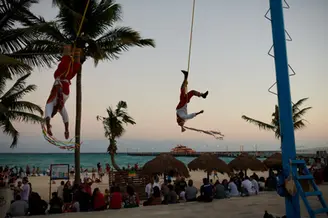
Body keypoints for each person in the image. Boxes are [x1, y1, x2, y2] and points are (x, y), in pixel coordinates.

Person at [45, 44, 84, 139]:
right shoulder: (60, 107)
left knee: (65, 64)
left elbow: (47, 116)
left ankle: (67, 48)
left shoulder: (50, 103)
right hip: (67, 81)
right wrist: (66, 130)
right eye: (54, 113)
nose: (54, 112)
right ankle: (78, 49)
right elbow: (66, 119)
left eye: (53, 113)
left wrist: (48, 127)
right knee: (76, 67)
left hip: (60, 77)